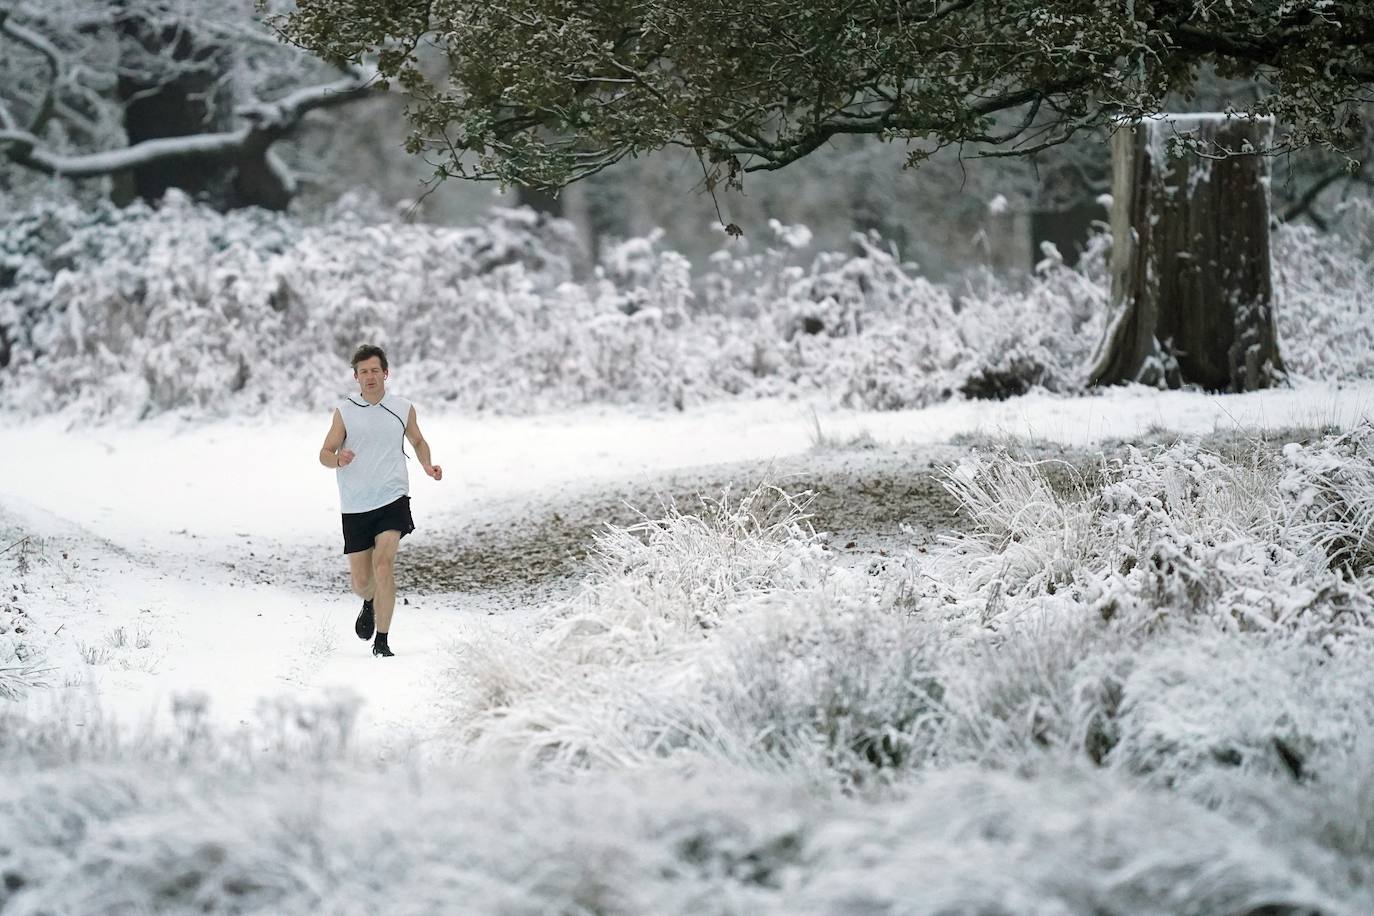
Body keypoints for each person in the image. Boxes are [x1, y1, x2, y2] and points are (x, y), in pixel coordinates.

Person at [318, 344, 442, 657]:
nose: (370, 376)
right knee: (362, 581)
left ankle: (382, 641)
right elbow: (324, 453)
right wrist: (338, 459)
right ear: (356, 377)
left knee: (384, 564)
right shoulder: (344, 411)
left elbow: (418, 439)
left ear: (385, 373)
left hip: (392, 497)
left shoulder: (402, 407)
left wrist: (427, 465)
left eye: (375, 370)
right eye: (364, 372)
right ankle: (369, 600)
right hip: (356, 504)